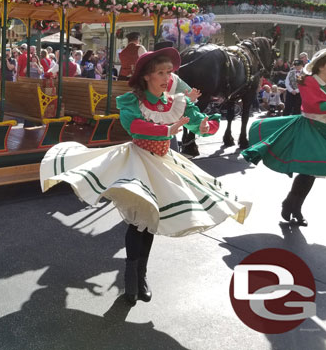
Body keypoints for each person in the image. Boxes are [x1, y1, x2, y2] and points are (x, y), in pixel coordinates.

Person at [40, 47, 249, 306]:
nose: (166, 77)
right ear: (146, 77)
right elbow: (133, 125)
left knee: (150, 220)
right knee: (138, 221)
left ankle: (141, 276)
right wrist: (166, 129)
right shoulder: (133, 101)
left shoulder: (174, 100)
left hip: (163, 163)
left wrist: (204, 126)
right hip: (138, 162)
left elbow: (195, 120)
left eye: (169, 72)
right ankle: (130, 277)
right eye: (160, 72)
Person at [242, 48, 326, 226]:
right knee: (307, 170)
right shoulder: (308, 80)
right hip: (310, 128)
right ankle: (292, 205)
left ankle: (293, 205)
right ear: (321, 65)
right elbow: (315, 106)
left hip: (323, 129)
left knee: (312, 172)